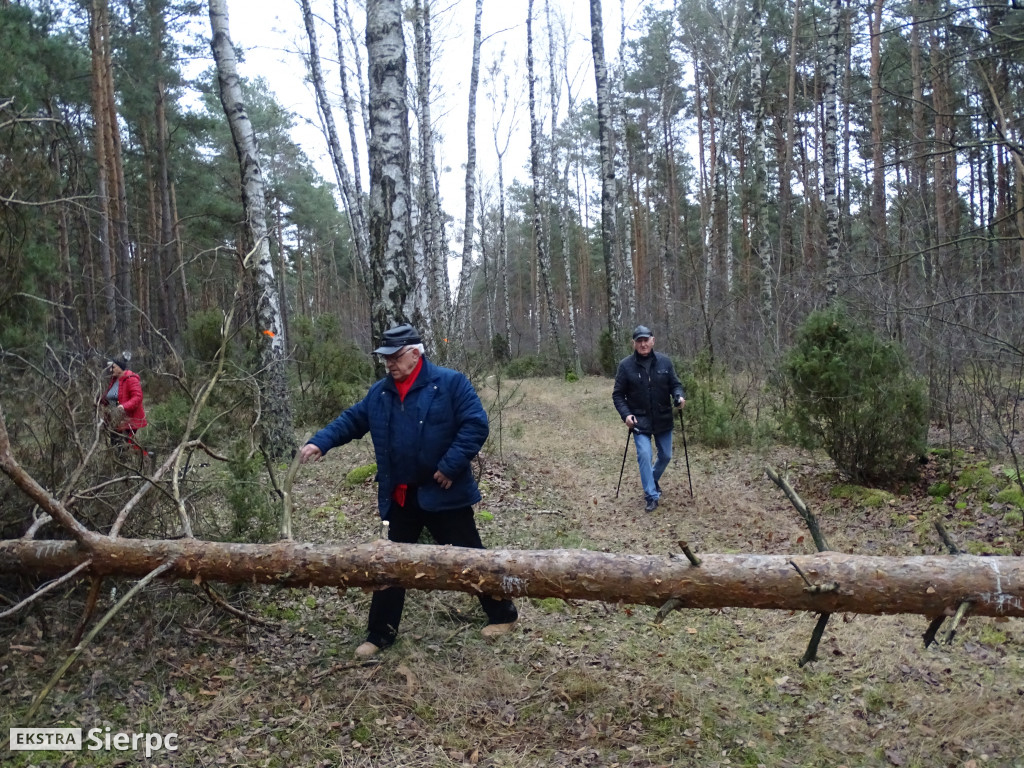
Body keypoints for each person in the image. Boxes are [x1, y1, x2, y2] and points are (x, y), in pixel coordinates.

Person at [299, 323, 518, 659]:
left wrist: (449, 466)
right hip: (401, 497)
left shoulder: (450, 383)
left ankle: (503, 615)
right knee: (389, 564)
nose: (389, 363)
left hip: (444, 493)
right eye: (385, 357)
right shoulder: (380, 393)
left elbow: (476, 425)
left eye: (396, 356)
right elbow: (351, 421)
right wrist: (320, 442)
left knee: (471, 557)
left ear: (416, 354)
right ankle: (380, 634)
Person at [612, 325, 686, 512]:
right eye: (639, 341)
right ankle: (651, 495)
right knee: (644, 455)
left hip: (663, 418)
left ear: (653, 341)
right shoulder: (625, 366)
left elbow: (675, 385)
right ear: (634, 344)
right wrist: (626, 415)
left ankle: (651, 479)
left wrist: (679, 396)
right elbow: (618, 395)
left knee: (666, 455)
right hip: (639, 420)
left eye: (646, 340)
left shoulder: (665, 362)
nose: (643, 344)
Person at [99, 356, 148, 451]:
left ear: (120, 367)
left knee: (122, 447)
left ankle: (144, 458)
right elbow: (111, 396)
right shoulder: (114, 380)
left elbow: (137, 397)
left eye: (112, 367)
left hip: (128, 420)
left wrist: (123, 406)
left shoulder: (131, 379)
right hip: (115, 420)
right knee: (115, 445)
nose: (110, 369)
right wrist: (99, 401)